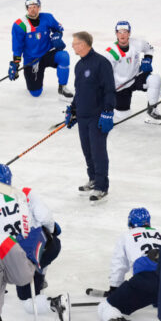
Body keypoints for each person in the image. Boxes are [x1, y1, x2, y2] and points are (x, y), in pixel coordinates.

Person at [0, 164, 69, 321]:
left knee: (28, 303)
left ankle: (56, 302)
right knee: (46, 246)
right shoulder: (25, 193)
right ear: (10, 178)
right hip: (49, 248)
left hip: (19, 260)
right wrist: (52, 230)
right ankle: (39, 275)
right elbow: (45, 217)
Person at [97, 207, 161, 321]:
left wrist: (115, 288)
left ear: (130, 223)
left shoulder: (126, 236)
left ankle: (115, 320)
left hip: (146, 281)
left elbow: (119, 264)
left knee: (105, 306)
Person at [65, 31, 116, 203]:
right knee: (87, 150)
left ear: (84, 44)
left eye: (75, 43)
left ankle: (102, 186)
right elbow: (79, 91)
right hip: (83, 116)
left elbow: (109, 89)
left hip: (97, 116)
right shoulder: (79, 66)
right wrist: (73, 110)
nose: (72, 46)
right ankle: (93, 178)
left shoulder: (101, 63)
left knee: (98, 151)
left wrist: (108, 112)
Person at [8, 0, 72, 98]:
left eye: (35, 6)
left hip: (48, 53)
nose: (33, 9)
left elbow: (58, 29)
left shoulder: (48, 17)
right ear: (27, 9)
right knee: (36, 93)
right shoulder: (19, 25)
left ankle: (62, 86)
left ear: (39, 7)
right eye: (30, 7)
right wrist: (16, 63)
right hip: (32, 59)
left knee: (64, 56)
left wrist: (57, 36)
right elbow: (17, 46)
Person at [102, 20, 161, 124]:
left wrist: (148, 59)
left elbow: (149, 49)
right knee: (123, 116)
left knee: (155, 79)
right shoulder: (110, 52)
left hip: (136, 78)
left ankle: (152, 109)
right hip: (120, 86)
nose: (122, 35)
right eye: (119, 32)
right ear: (116, 34)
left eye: (125, 32)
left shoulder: (137, 43)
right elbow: (104, 75)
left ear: (129, 33)